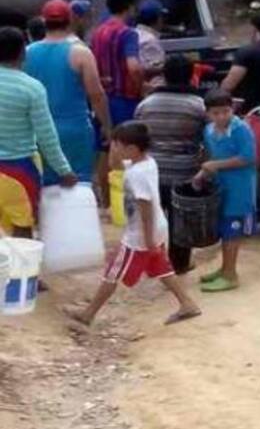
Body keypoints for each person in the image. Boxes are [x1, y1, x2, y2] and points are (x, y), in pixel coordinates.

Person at [63, 122, 201, 327]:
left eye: (119, 145)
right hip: (155, 228)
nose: (116, 149)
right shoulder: (147, 163)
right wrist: (113, 143)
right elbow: (115, 165)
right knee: (162, 268)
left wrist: (148, 240)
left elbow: (144, 208)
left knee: (113, 272)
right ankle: (187, 303)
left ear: (132, 149)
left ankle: (88, 314)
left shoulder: (137, 174)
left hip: (141, 234)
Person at [24, 0, 112, 186]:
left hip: (38, 131)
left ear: (44, 21)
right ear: (69, 20)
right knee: (77, 185)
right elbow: (96, 95)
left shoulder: (27, 52)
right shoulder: (81, 53)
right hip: (75, 129)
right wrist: (106, 126)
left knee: (42, 186)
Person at [0, 27, 78, 235]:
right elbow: (47, 136)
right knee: (22, 229)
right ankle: (24, 268)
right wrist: (64, 170)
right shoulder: (31, 88)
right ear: (23, 52)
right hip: (17, 170)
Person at [134, 54, 207, 275]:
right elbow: (207, 137)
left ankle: (154, 263)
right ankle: (179, 264)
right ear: (190, 76)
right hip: (185, 174)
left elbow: (137, 137)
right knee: (181, 222)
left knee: (153, 220)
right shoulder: (198, 106)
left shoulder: (145, 105)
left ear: (164, 76)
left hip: (153, 173)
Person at [194, 90, 257, 293]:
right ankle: (224, 269)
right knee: (224, 229)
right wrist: (203, 173)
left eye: (226, 111)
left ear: (232, 109)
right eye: (216, 112)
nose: (221, 116)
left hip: (240, 188)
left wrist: (215, 165)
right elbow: (211, 158)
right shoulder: (209, 130)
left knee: (232, 231)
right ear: (208, 113)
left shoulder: (241, 129)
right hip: (221, 187)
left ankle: (231, 275)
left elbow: (248, 157)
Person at [90, 0, 142, 206]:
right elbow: (134, 67)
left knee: (105, 148)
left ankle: (107, 201)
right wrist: (142, 87)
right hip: (125, 99)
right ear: (130, 7)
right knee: (128, 150)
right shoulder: (128, 33)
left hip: (102, 98)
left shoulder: (97, 32)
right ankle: (126, 201)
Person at [135, 0, 167, 91]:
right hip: (151, 90)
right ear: (158, 19)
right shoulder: (149, 40)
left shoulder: (133, 33)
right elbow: (153, 69)